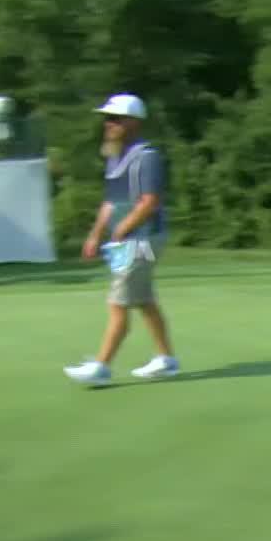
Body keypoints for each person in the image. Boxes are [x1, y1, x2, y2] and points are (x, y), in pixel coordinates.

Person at [63, 93, 180, 386]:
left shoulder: (147, 157)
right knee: (143, 299)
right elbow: (111, 202)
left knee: (119, 301)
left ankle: (101, 367)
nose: (108, 124)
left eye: (114, 119)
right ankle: (166, 360)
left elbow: (150, 201)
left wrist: (122, 228)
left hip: (143, 237)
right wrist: (95, 233)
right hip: (128, 238)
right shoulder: (115, 157)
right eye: (107, 119)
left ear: (132, 122)